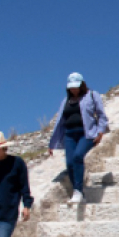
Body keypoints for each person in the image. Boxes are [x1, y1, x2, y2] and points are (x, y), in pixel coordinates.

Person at [48, 72, 109, 204]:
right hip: (69, 134)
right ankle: (78, 191)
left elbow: (102, 115)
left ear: (82, 85)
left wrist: (100, 133)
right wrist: (52, 143)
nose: (74, 89)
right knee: (70, 163)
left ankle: (78, 191)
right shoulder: (66, 101)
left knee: (77, 156)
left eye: (76, 86)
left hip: (87, 133)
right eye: (71, 87)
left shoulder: (92, 95)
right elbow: (60, 122)